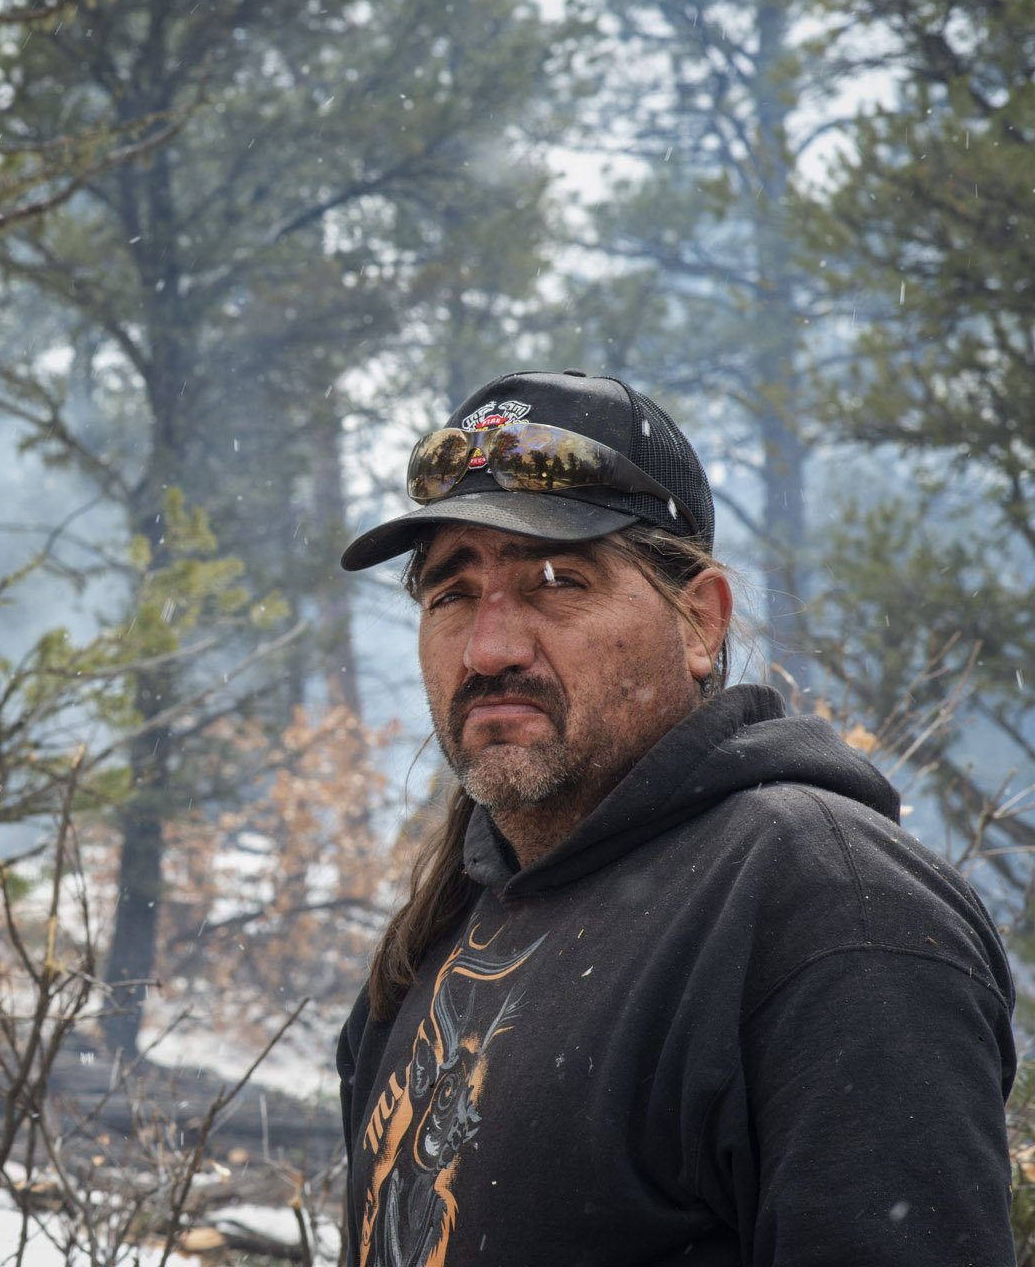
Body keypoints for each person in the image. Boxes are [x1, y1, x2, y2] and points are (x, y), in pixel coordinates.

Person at [334, 369, 1016, 1266]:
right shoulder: (450, 921)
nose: (489, 647)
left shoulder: (826, 909)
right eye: (451, 593)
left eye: (554, 581)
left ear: (699, 621)